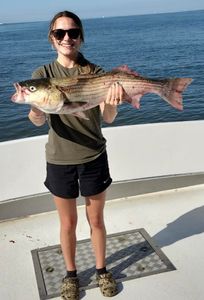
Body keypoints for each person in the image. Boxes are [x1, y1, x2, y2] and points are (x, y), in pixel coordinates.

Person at [28, 10, 123, 300]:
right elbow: (38, 121)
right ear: (52, 39)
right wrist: (34, 106)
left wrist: (113, 101)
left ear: (80, 38)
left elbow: (107, 118)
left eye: (72, 33)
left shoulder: (96, 73)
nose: (66, 38)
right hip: (59, 158)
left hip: (94, 155)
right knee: (67, 223)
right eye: (60, 33)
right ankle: (71, 275)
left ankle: (101, 270)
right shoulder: (42, 76)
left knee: (96, 220)